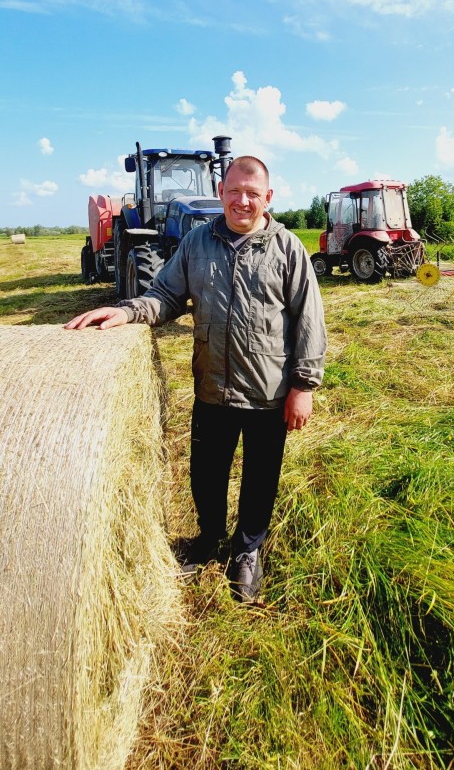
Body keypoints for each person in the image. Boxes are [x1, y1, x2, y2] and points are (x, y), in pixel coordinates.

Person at [65, 156, 327, 602]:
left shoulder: (287, 249)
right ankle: (208, 540)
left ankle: (247, 552)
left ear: (267, 198)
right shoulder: (195, 243)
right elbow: (165, 295)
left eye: (252, 193)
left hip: (268, 394)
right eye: (234, 191)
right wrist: (127, 311)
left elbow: (309, 320)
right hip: (212, 388)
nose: (242, 200)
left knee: (260, 478)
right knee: (206, 475)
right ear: (222, 192)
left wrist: (303, 386)